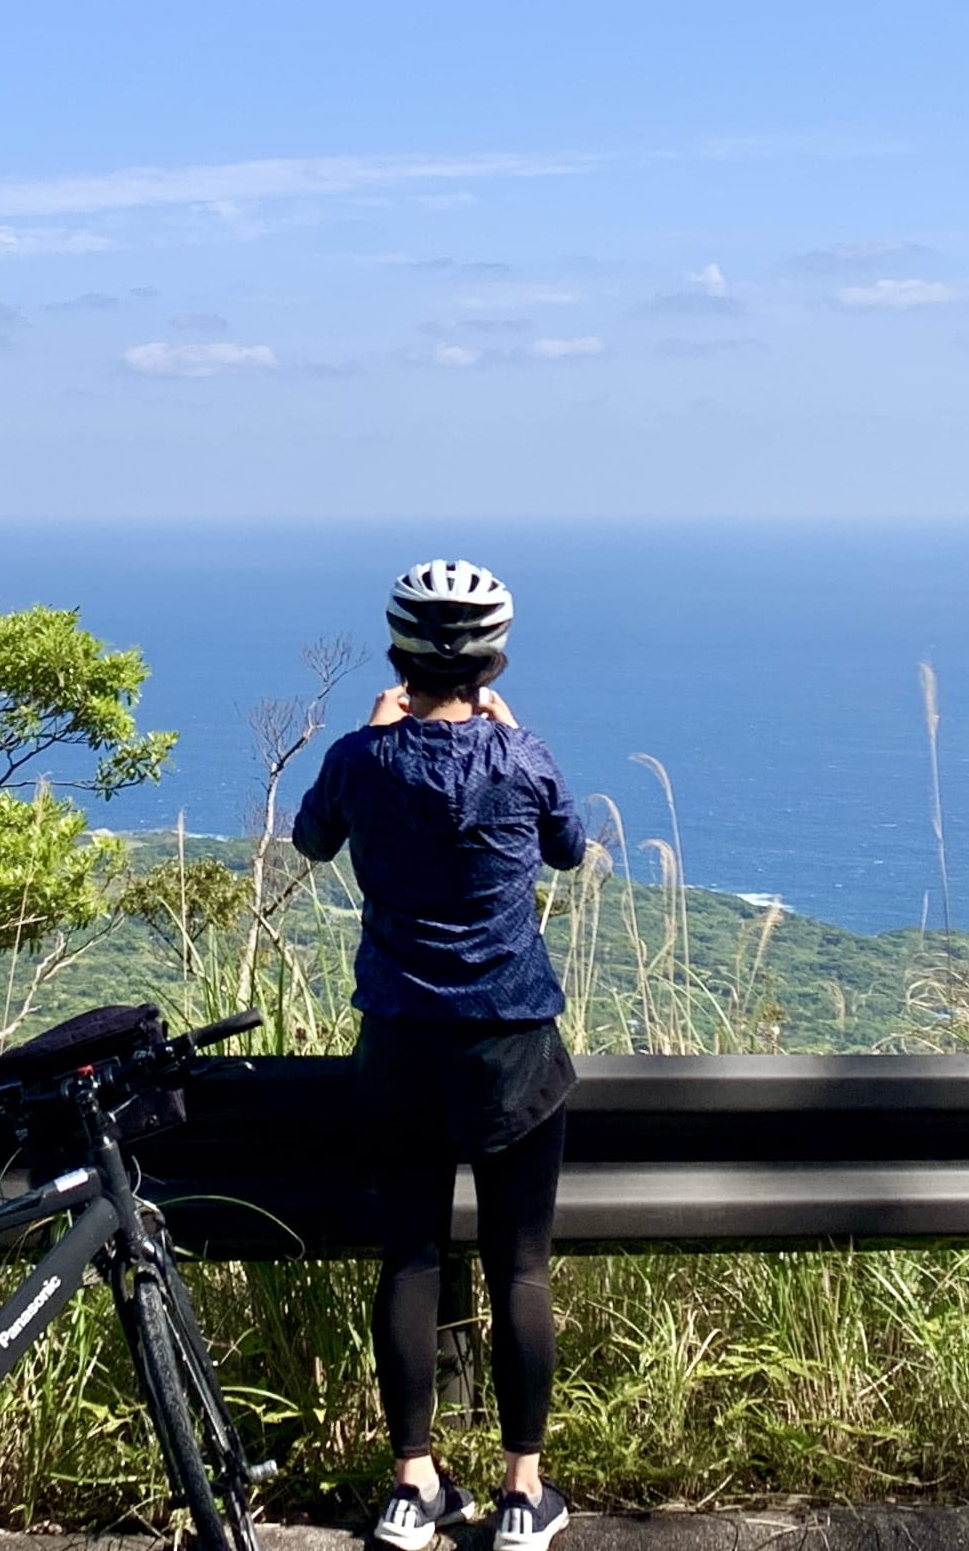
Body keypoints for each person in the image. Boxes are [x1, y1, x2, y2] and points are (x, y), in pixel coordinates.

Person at [292, 559, 588, 1551]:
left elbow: (311, 840)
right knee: (521, 1269)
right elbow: (567, 847)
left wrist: (383, 736)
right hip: (512, 1048)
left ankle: (413, 1485)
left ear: (399, 655)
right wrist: (500, 738)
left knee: (411, 1258)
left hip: (401, 1045)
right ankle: (521, 1494)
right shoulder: (525, 756)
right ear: (492, 659)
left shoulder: (359, 758)